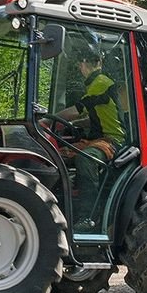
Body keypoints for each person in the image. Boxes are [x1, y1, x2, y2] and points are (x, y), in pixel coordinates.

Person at [52, 43, 124, 227]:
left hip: (112, 140)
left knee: (86, 159)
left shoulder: (100, 82)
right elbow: (95, 116)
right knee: (56, 155)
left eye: (81, 64)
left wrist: (47, 120)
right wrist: (74, 124)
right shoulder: (95, 84)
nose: (80, 68)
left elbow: (77, 110)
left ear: (84, 64)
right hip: (97, 139)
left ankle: (89, 216)